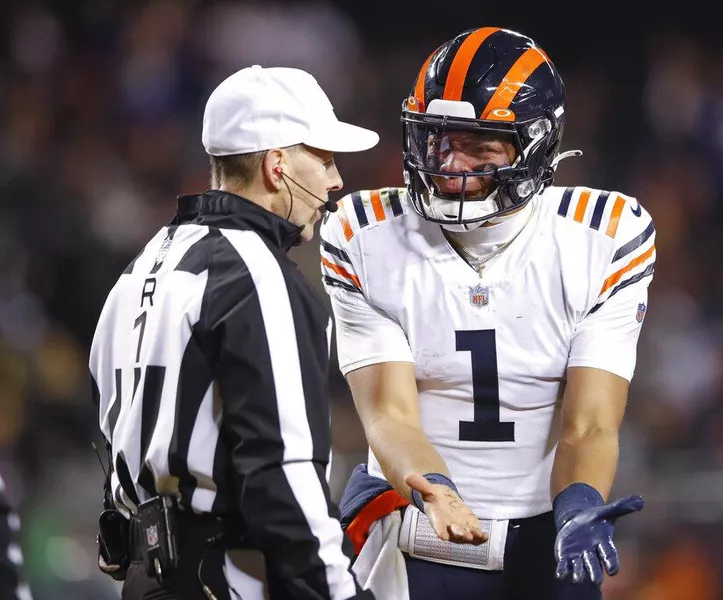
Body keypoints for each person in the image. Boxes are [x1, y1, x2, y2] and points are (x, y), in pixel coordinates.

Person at [320, 27, 655, 599]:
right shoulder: (363, 234)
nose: (450, 164)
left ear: (535, 145)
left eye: (479, 144)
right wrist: (440, 492)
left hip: (545, 534)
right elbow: (389, 416)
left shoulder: (604, 236)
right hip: (414, 529)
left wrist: (579, 505)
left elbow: (590, 424)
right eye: (438, 140)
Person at [89, 65, 379, 600]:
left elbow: (111, 443)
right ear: (276, 166)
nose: (336, 181)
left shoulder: (143, 266)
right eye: (325, 158)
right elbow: (283, 475)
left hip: (147, 577)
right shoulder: (257, 277)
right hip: (228, 578)